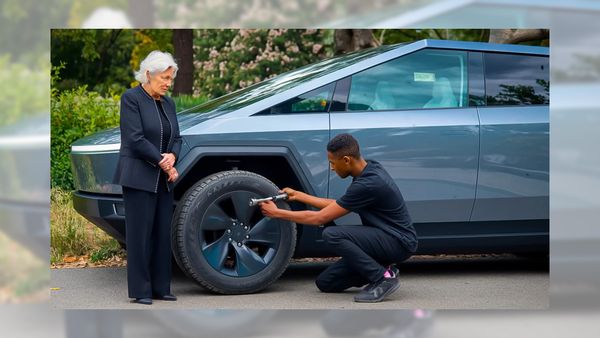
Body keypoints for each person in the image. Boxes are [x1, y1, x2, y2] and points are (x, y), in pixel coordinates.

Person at [260, 133, 417, 303]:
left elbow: (319, 219)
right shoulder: (368, 169)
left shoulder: (369, 184)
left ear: (347, 160)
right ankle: (385, 269)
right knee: (326, 283)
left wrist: (278, 213)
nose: (332, 168)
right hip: (383, 240)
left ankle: (383, 278)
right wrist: (299, 195)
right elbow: (338, 204)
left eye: (332, 163)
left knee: (332, 234)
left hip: (398, 242)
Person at [113, 50, 181, 305]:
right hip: (138, 176)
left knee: (162, 233)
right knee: (140, 236)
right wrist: (164, 162)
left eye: (170, 79)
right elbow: (135, 138)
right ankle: (141, 290)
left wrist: (173, 156)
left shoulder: (168, 103)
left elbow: (177, 138)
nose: (167, 83)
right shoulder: (131, 98)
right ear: (149, 74)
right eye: (164, 78)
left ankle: (161, 288)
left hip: (163, 180)